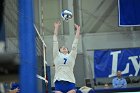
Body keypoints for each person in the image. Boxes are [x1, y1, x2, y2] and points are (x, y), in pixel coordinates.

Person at [53, 21, 80, 93]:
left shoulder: (71, 55)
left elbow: (75, 44)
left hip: (70, 82)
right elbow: (55, 42)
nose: (64, 47)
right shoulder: (57, 55)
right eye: (62, 47)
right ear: (59, 50)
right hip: (59, 83)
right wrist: (56, 28)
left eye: (65, 47)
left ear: (68, 50)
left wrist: (78, 30)